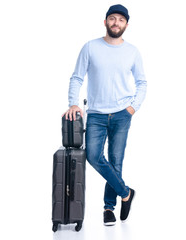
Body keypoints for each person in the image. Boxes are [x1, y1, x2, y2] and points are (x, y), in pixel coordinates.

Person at [63, 4, 147, 226]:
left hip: (122, 114)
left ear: (126, 24)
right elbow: (77, 77)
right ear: (105, 22)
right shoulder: (90, 47)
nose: (116, 23)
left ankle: (108, 208)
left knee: (116, 161)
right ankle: (126, 192)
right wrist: (73, 103)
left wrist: (133, 107)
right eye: (112, 18)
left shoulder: (132, 51)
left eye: (121, 19)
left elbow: (142, 83)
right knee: (93, 156)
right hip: (97, 115)